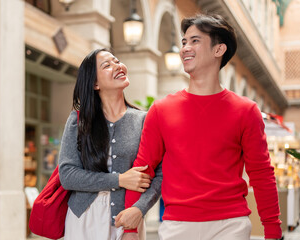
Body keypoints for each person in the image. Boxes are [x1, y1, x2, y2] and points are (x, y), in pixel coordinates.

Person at [115, 14, 282, 240]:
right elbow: (142, 170)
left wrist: (272, 230)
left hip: (230, 225)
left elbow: (261, 174)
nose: (185, 48)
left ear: (218, 50)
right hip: (177, 226)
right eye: (184, 42)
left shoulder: (245, 111)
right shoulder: (161, 109)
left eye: (195, 41)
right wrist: (131, 229)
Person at [58, 48, 162, 240]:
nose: (117, 66)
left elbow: (158, 174)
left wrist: (139, 210)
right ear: (95, 83)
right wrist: (119, 180)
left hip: (128, 219)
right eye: (107, 65)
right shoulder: (78, 120)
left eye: (117, 61)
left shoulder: (144, 120)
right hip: (84, 218)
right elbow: (68, 175)